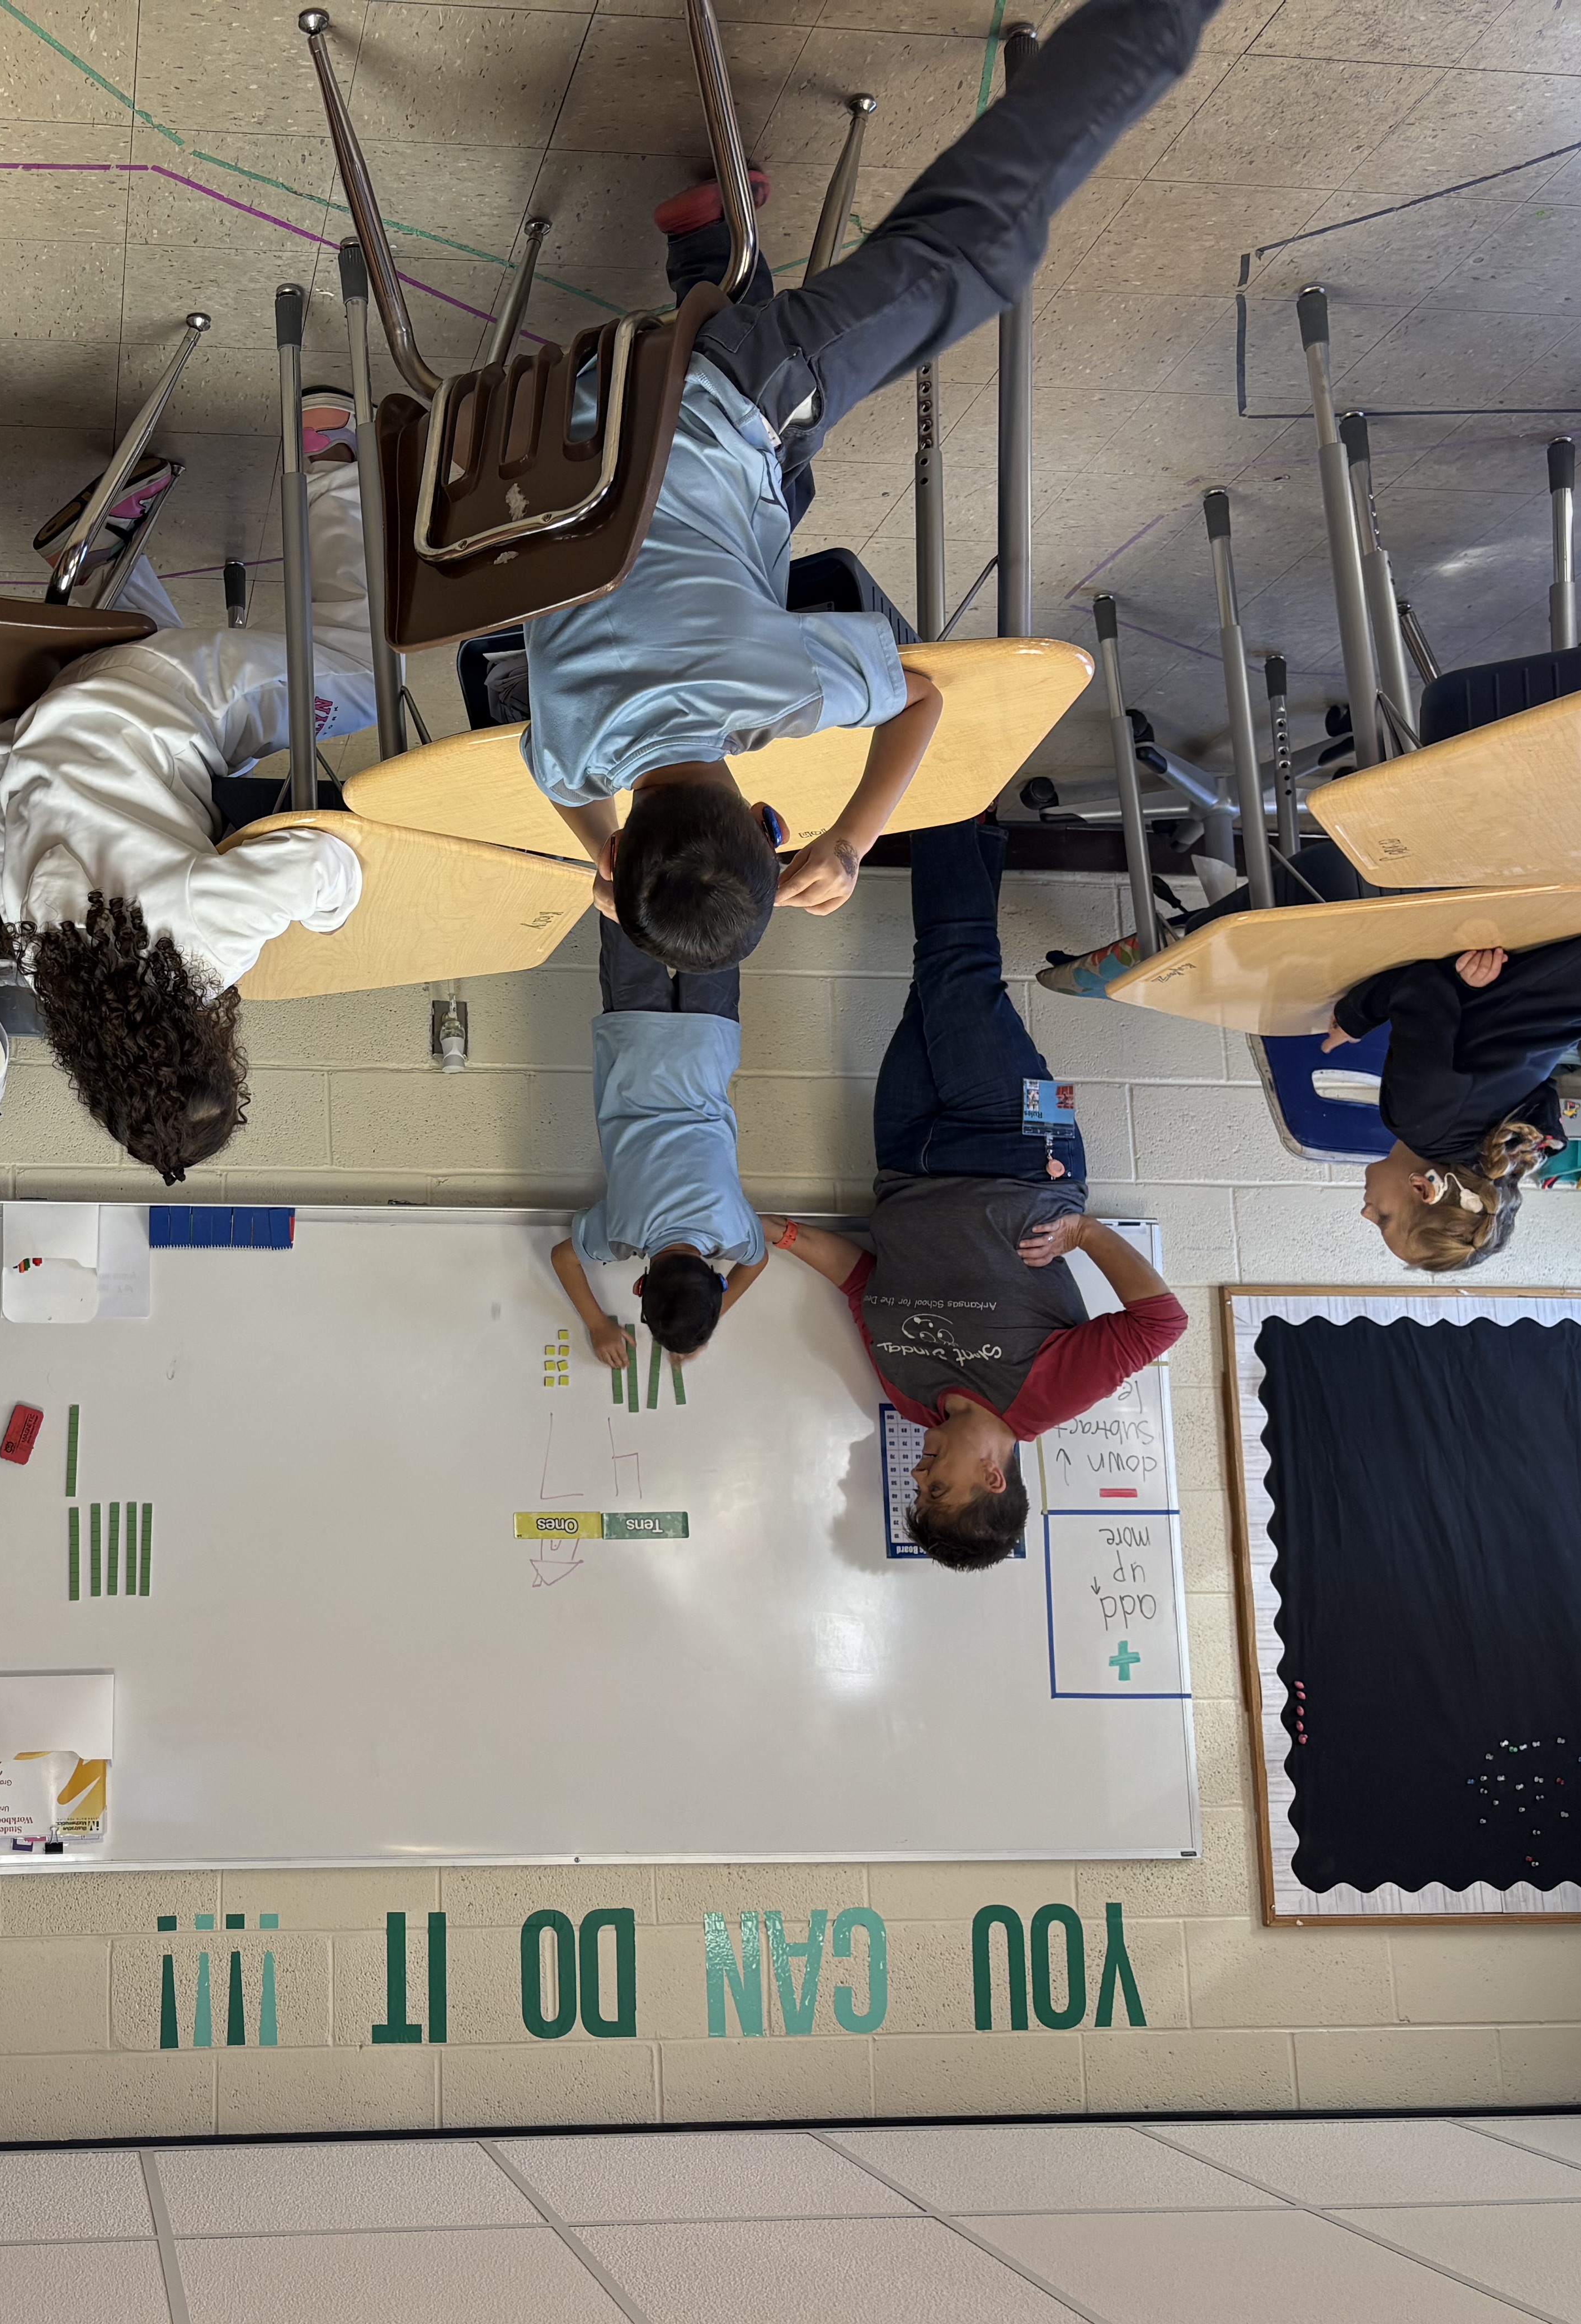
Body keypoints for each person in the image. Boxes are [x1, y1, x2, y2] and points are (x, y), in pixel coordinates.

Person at [523, 0, 1218, 969]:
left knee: (976, 261)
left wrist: (850, 840)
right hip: (560, 432)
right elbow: (562, 784)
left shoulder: (771, 695)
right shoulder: (569, 754)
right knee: (777, 503)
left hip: (718, 389)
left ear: (768, 822)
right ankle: (704, 248)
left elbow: (919, 699)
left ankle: (1155, 24)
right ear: (615, 853)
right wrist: (602, 850)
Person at [0, 397, 377, 1183]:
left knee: (360, 674)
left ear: (214, 1054)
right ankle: (109, 547)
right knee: (187, 755)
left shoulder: (204, 954)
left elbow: (323, 861)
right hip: (47, 720)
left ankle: (327, 459)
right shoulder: (50, 964)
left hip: (153, 698)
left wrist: (334, 918)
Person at [766, 817, 1188, 1570]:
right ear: (993, 1479)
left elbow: (865, 1281)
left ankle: (968, 815)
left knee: (942, 979)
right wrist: (1084, 1234)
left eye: (916, 1491)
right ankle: (945, 787)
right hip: (1028, 1154)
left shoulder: (907, 1396)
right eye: (939, 1491)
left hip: (906, 1156)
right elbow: (1160, 1324)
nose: (920, 1474)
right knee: (957, 968)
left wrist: (779, 1235)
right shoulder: (1048, 1398)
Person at [1044, 864, 1581, 1270]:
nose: (1367, 1210)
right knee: (1332, 897)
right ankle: (1172, 941)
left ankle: (1181, 935)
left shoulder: (1490, 1141)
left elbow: (1523, 1066)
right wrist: (1358, 1015)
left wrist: (1468, 991)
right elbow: (1420, 987)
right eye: (1386, 1220)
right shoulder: (1422, 1118)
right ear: (1423, 1191)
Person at [551, 918, 769, 1372]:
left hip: (708, 1038)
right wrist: (596, 1324)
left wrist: (712, 1312)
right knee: (628, 903)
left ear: (716, 1281)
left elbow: (757, 1262)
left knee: (715, 909)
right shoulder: (620, 1232)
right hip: (635, 1036)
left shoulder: (735, 1233)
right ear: (640, 1287)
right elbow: (563, 1258)